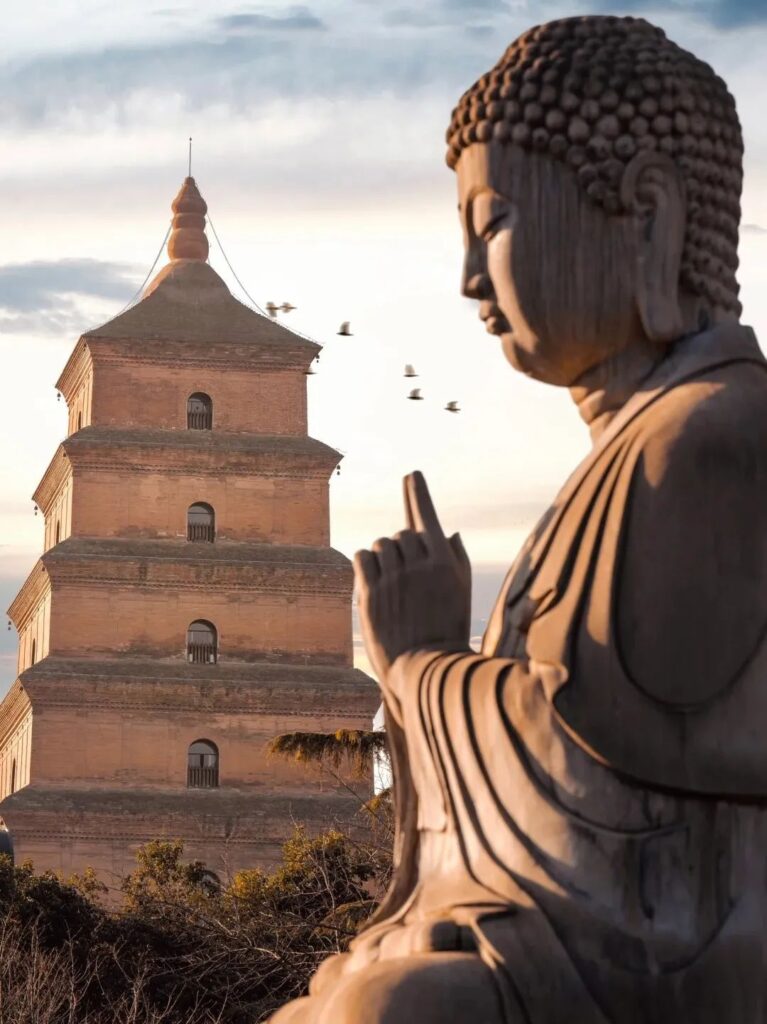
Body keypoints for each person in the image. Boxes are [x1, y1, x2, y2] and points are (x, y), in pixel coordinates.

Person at [271, 15, 767, 1022]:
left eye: (492, 222)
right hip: (588, 927)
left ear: (647, 214)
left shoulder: (712, 438)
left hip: (690, 946)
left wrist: (415, 661)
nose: (466, 278)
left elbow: (604, 771)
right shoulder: (618, 462)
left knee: (393, 1011)